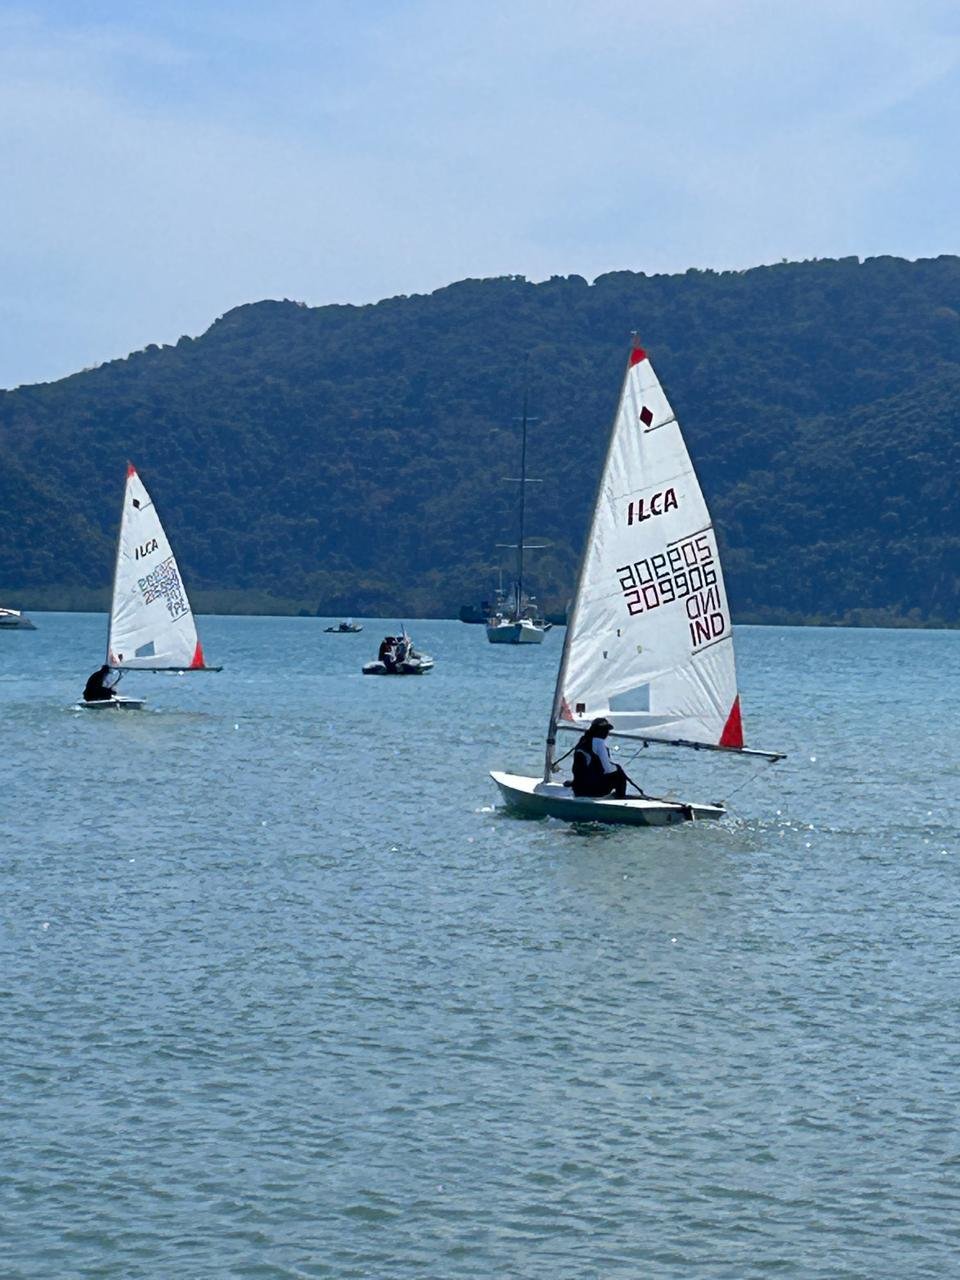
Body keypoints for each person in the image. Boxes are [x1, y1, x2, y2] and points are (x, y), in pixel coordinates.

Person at [571, 717, 629, 799]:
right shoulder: (598, 742)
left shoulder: (584, 740)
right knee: (619, 776)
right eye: (606, 730)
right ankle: (620, 799)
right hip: (592, 790)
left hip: (578, 789)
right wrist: (617, 767)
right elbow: (607, 769)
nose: (607, 733)